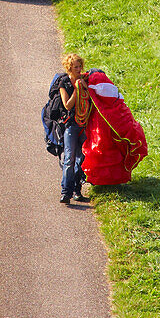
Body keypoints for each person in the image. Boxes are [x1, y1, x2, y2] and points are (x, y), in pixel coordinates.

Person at [55, 53, 92, 205]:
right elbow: (67, 105)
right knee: (69, 157)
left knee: (82, 158)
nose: (78, 69)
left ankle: (77, 191)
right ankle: (66, 192)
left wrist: (85, 88)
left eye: (80, 66)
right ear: (69, 68)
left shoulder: (85, 80)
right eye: (75, 67)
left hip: (84, 124)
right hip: (71, 125)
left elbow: (92, 100)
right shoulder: (64, 82)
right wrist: (77, 90)